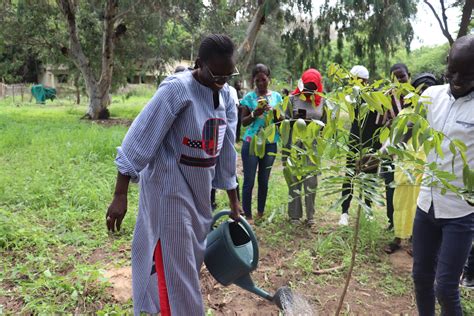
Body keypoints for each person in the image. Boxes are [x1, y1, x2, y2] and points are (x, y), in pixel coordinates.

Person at [105, 34, 242, 315]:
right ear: (199, 64)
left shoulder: (227, 96)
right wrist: (120, 195)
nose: (222, 81)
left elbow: (227, 151)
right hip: (167, 190)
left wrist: (234, 200)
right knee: (177, 270)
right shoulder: (177, 90)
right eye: (216, 74)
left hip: (199, 193)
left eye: (229, 75)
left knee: (188, 262)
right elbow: (138, 139)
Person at [412, 35, 474, 315]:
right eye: (453, 70)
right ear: (446, 64)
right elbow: (407, 131)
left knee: (446, 288)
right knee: (421, 278)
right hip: (426, 203)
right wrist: (381, 153)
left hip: (460, 212)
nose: (457, 78)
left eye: (467, 73)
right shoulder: (430, 95)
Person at [385, 73, 438, 254]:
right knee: (400, 203)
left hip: (426, 168)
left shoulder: (437, 114)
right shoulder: (405, 113)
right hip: (404, 167)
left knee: (421, 206)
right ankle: (399, 238)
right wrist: (381, 154)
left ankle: (417, 242)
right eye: (421, 91)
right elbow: (394, 140)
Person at [240, 64, 283, 221]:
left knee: (264, 180)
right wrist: (254, 113)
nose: (261, 84)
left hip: (270, 141)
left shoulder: (277, 97)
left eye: (263, 80)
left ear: (268, 79)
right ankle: (247, 216)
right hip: (251, 142)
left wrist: (275, 112)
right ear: (253, 80)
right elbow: (243, 122)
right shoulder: (248, 98)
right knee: (249, 180)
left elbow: (281, 121)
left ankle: (260, 212)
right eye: (257, 80)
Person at [284, 68, 325, 225]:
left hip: (313, 145)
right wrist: (295, 121)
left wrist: (316, 129)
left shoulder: (322, 101)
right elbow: (285, 122)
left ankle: (310, 216)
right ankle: (294, 215)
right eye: (307, 86)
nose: (309, 90)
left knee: (311, 180)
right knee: (294, 178)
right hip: (295, 143)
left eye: (312, 87)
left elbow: (325, 123)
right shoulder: (293, 99)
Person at [339, 65, 378, 226]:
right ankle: (344, 212)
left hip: (372, 142)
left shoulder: (375, 96)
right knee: (349, 176)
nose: (352, 83)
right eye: (351, 80)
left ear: (364, 80)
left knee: (369, 177)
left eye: (355, 80)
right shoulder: (352, 96)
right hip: (355, 140)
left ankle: (367, 210)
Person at [378, 63, 411, 230]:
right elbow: (380, 125)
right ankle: (393, 222)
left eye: (402, 76)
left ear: (409, 75)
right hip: (390, 149)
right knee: (390, 185)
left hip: (412, 151)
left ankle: (411, 227)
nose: (398, 80)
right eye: (395, 78)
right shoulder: (386, 98)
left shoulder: (417, 96)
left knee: (411, 188)